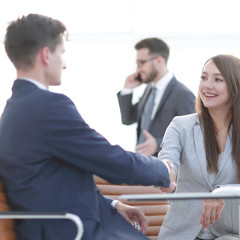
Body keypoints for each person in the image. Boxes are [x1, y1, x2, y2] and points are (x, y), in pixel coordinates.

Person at [0, 14, 176, 240]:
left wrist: (113, 204)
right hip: (74, 231)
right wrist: (164, 169)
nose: (64, 64)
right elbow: (109, 159)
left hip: (58, 226)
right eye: (61, 53)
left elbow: (53, 178)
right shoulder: (49, 106)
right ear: (46, 55)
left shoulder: (14, 110)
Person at [158, 55, 240, 240]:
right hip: (182, 233)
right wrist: (166, 174)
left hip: (232, 233)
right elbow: (168, 161)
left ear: (235, 87)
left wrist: (225, 192)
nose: (207, 85)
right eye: (204, 77)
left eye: (218, 79)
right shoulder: (180, 126)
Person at [117, 37, 195, 156]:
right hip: (142, 163)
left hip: (165, 168)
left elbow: (192, 138)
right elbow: (128, 119)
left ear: (159, 61)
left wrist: (158, 144)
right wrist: (127, 89)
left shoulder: (183, 95)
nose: (138, 69)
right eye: (137, 63)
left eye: (141, 63)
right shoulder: (149, 90)